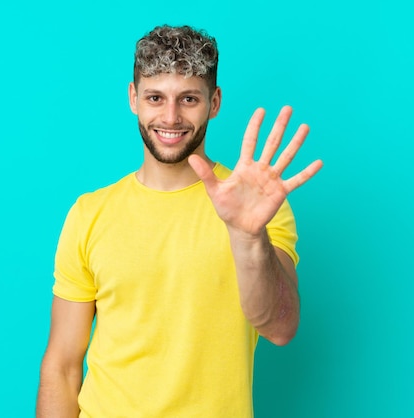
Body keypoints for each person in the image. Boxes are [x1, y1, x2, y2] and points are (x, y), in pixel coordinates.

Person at [36, 24, 323, 417]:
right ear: (133, 98)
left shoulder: (255, 208)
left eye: (188, 98)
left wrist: (247, 236)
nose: (170, 117)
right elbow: (63, 367)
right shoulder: (90, 213)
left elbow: (281, 327)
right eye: (156, 97)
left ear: (215, 102)